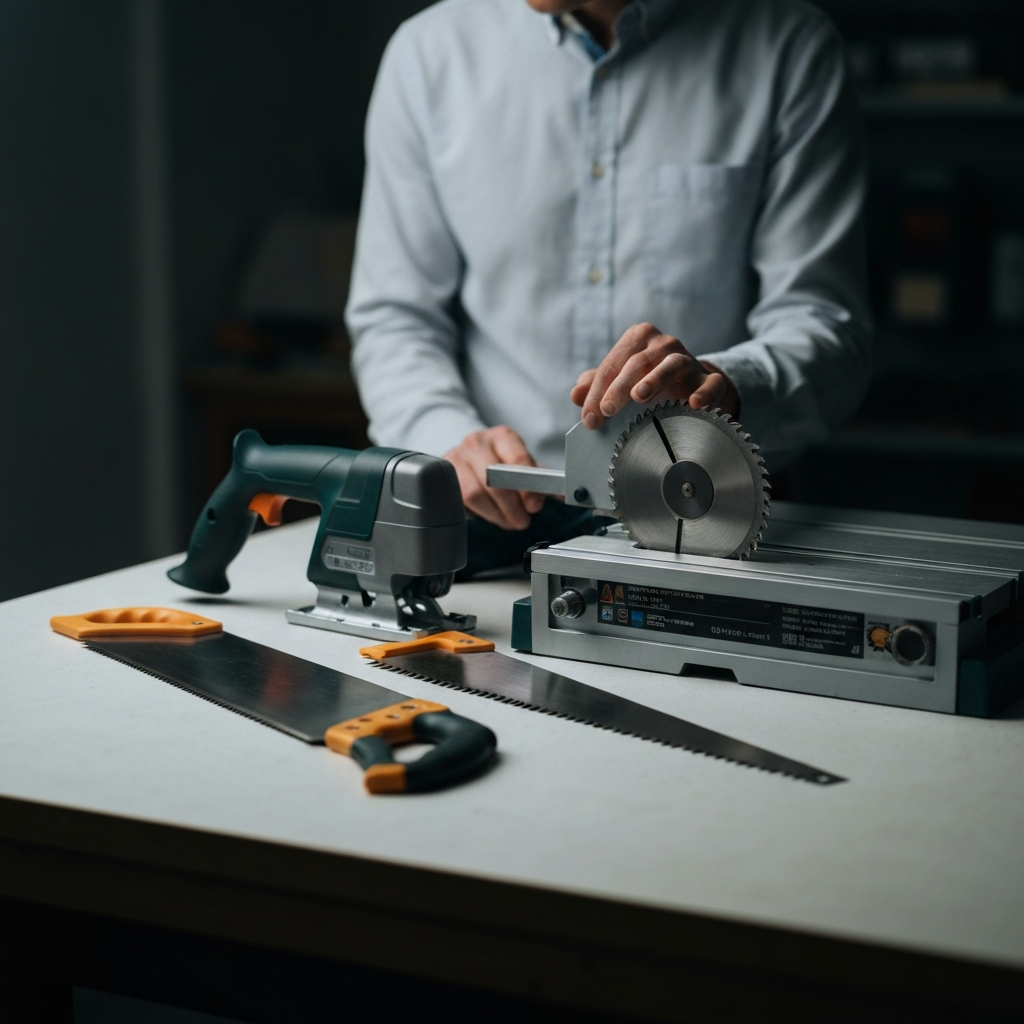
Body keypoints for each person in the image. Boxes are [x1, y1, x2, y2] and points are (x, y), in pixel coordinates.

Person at [347, 0, 872, 573]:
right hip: (479, 529)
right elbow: (395, 319)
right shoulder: (428, 54)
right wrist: (446, 441)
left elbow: (826, 326)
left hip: (715, 528)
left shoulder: (789, 49)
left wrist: (730, 387)